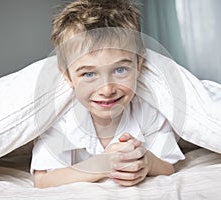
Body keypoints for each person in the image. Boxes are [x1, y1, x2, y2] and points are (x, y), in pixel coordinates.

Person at [31, 0, 185, 188]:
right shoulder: (60, 117)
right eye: (89, 74)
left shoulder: (148, 109)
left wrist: (149, 163)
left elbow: (168, 167)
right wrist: (101, 165)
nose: (107, 90)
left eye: (120, 70)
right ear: (67, 76)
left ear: (138, 65)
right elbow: (42, 180)